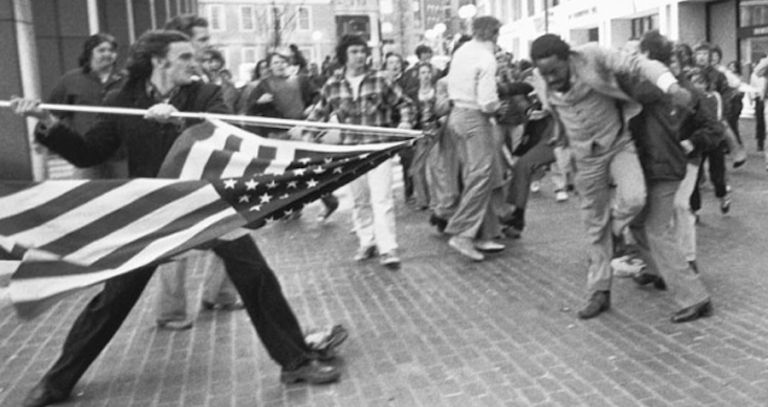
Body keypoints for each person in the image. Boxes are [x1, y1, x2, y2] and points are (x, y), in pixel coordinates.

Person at [10, 30, 343, 407]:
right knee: (113, 300)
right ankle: (57, 382)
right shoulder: (122, 99)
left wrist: (179, 126)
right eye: (185, 57)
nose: (194, 63)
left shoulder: (204, 95)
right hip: (155, 210)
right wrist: (47, 122)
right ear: (159, 60)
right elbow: (89, 153)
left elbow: (226, 138)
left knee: (255, 276)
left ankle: (295, 361)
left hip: (207, 204)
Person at [529, 33, 691, 319]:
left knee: (635, 198)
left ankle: (614, 230)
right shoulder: (541, 79)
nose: (551, 78)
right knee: (594, 225)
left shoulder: (591, 56)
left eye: (555, 70)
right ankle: (599, 291)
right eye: (545, 73)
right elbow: (554, 113)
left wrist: (671, 85)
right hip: (584, 156)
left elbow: (638, 63)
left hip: (617, 143)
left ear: (568, 58)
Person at [620, 31, 716, 323]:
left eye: (636, 53)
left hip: (663, 167)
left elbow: (627, 90)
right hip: (658, 165)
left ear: (648, 56)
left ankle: (695, 297)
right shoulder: (660, 84)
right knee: (639, 224)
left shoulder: (653, 85)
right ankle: (658, 271)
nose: (630, 58)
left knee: (657, 230)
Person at [156, 14, 241, 330]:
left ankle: (220, 293)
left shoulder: (208, 78)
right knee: (175, 240)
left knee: (232, 227)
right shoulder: (160, 81)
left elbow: (223, 119)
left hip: (211, 167)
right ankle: (171, 310)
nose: (209, 44)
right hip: (173, 171)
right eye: (202, 39)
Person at [307, 34, 414, 269]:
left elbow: (404, 103)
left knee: (382, 199)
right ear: (344, 55)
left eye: (362, 51)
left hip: (378, 148)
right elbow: (319, 113)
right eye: (354, 51)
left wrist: (405, 121)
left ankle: (388, 247)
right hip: (351, 152)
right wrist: (305, 130)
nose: (360, 56)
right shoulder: (333, 84)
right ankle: (367, 241)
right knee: (360, 200)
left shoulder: (380, 80)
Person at [441, 16, 506, 262]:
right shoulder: (487, 58)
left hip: (457, 116)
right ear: (495, 33)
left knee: (476, 174)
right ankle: (463, 233)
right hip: (475, 118)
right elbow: (487, 101)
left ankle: (484, 233)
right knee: (481, 175)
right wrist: (498, 106)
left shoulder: (462, 51)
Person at [246, 51, 339, 221]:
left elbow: (318, 96)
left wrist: (312, 106)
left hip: (301, 129)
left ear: (288, 64)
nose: (280, 66)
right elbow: (249, 109)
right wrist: (259, 102)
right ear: (269, 67)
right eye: (275, 63)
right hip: (278, 133)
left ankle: (328, 200)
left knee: (310, 168)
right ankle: (293, 207)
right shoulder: (263, 85)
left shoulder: (300, 80)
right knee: (285, 173)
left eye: (283, 62)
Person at [44, 33, 126, 179]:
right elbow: (52, 112)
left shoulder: (127, 80)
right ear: (90, 52)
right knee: (86, 192)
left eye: (112, 50)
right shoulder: (70, 80)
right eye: (101, 50)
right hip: (86, 152)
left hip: (121, 155)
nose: (107, 54)